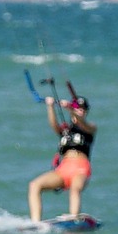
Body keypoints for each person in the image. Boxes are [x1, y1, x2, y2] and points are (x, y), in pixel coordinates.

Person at [27, 94, 96, 222]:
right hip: (64, 169)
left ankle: (74, 217)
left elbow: (81, 121)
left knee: (75, 188)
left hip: (81, 168)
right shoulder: (65, 130)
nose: (81, 111)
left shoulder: (90, 128)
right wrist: (50, 106)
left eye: (83, 109)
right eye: (78, 108)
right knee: (34, 185)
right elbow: (54, 124)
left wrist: (70, 108)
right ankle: (35, 222)